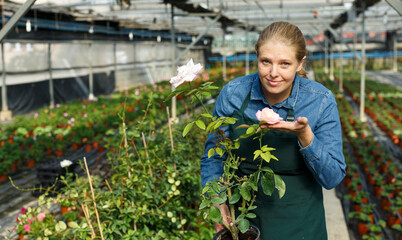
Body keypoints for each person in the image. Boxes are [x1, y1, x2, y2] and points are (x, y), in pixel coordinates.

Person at [200, 21, 346, 240]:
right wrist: (216, 199)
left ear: (300, 63)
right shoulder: (234, 93)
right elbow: (214, 155)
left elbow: (332, 177)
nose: (273, 73)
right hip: (243, 220)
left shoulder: (320, 101)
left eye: (285, 64)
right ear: (256, 58)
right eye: (265, 61)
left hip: (301, 223)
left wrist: (305, 136)